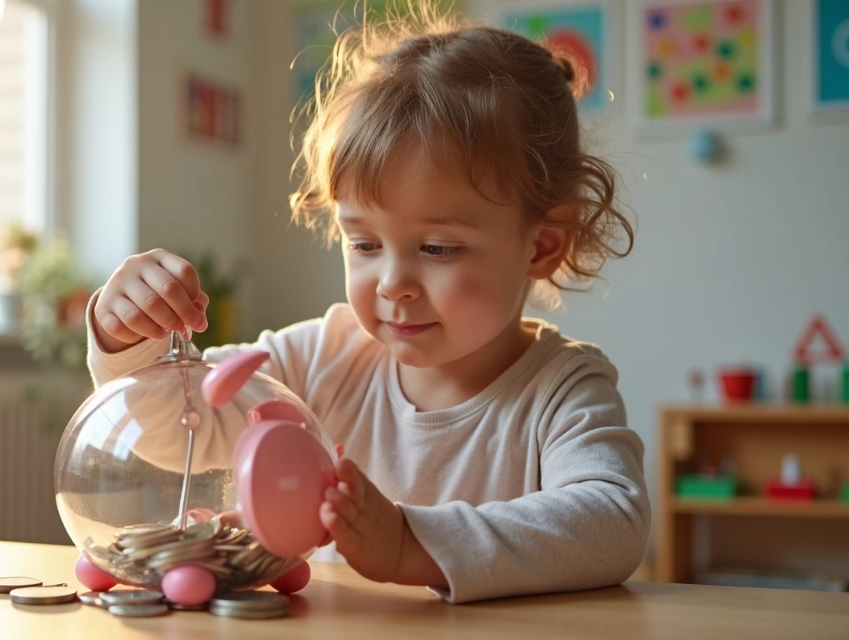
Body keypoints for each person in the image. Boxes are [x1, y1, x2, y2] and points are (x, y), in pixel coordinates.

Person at [84, 5, 649, 604]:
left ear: (542, 245)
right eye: (364, 243)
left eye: (436, 247)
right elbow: (176, 428)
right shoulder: (321, 358)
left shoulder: (563, 389)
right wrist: (128, 334)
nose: (391, 283)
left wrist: (412, 541)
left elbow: (612, 522)